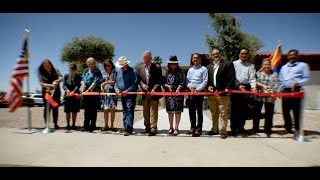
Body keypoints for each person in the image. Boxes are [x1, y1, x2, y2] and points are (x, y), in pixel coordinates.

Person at [206, 48, 235, 139]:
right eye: (214, 54)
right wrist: (208, 86)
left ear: (220, 54)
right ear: (212, 55)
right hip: (212, 94)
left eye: (217, 53)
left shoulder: (227, 64)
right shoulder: (208, 66)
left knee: (223, 113)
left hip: (223, 93)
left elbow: (231, 77)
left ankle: (223, 131)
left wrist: (228, 88)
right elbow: (207, 80)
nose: (216, 55)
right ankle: (214, 129)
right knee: (214, 112)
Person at [279, 49, 310, 135]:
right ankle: (288, 129)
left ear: (297, 56)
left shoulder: (303, 65)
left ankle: (297, 130)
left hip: (296, 91)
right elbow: (281, 80)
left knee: (296, 111)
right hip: (285, 91)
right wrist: (280, 90)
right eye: (290, 55)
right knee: (285, 111)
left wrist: (298, 83)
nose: (292, 56)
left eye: (294, 55)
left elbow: (306, 78)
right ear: (288, 57)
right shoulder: (283, 67)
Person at [230, 48, 257, 136]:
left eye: (246, 54)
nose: (244, 55)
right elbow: (232, 77)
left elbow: (252, 79)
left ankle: (241, 128)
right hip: (235, 88)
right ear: (239, 54)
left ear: (247, 55)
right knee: (234, 110)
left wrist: (253, 87)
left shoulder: (251, 66)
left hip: (246, 89)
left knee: (244, 110)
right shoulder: (233, 64)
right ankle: (233, 129)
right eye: (242, 53)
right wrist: (238, 86)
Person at [136, 51, 163, 136]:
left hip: (154, 93)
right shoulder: (140, 68)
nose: (145, 60)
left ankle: (153, 129)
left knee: (153, 111)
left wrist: (154, 89)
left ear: (151, 58)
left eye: (147, 58)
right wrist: (142, 85)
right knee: (145, 112)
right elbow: (139, 79)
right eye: (144, 58)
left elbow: (159, 80)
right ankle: (147, 128)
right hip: (144, 93)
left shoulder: (157, 67)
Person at [252, 58, 280, 137]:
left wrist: (275, 95)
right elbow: (255, 82)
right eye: (265, 64)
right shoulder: (258, 73)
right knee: (256, 114)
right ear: (262, 66)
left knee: (269, 114)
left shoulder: (274, 75)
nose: (266, 66)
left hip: (270, 98)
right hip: (259, 97)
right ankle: (255, 129)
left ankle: (268, 129)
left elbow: (277, 85)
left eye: (268, 64)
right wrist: (263, 86)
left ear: (271, 65)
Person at [114, 56, 138, 136]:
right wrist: (116, 89)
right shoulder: (119, 72)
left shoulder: (132, 71)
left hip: (130, 95)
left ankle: (129, 128)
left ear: (126, 65)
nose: (121, 68)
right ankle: (125, 126)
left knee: (129, 110)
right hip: (122, 95)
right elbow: (116, 83)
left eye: (122, 67)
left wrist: (127, 91)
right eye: (120, 67)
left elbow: (134, 84)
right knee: (124, 110)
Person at [186, 53, 208, 137]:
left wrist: (197, 89)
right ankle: (192, 128)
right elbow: (187, 81)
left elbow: (205, 81)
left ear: (200, 59)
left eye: (197, 58)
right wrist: (189, 87)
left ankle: (199, 130)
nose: (195, 59)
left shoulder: (203, 69)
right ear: (192, 60)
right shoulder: (190, 70)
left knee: (199, 111)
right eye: (194, 58)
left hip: (199, 92)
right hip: (191, 92)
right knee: (191, 111)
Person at [163, 55, 185, 136]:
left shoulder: (181, 71)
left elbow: (182, 82)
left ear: (177, 64)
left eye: (174, 63)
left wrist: (178, 89)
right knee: (170, 112)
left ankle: (176, 128)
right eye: (171, 63)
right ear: (169, 64)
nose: (173, 65)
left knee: (177, 111)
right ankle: (171, 127)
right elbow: (163, 82)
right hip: (169, 94)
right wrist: (168, 86)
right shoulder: (166, 72)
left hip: (178, 94)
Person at [38, 59, 63, 129]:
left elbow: (61, 78)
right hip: (47, 93)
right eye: (45, 65)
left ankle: (55, 124)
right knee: (47, 109)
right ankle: (46, 124)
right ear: (43, 66)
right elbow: (41, 83)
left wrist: (56, 81)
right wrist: (50, 86)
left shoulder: (56, 70)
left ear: (51, 64)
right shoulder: (42, 73)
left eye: (48, 65)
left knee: (55, 108)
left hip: (56, 93)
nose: (47, 67)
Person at [80, 57, 102, 132]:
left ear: (94, 64)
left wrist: (89, 89)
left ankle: (92, 125)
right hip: (86, 93)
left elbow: (96, 81)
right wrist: (82, 85)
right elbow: (82, 79)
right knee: (86, 110)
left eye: (90, 64)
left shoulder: (97, 71)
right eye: (88, 64)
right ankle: (85, 126)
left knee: (93, 110)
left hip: (93, 93)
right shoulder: (86, 70)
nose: (89, 65)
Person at [63, 63, 81, 131]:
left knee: (74, 111)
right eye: (70, 69)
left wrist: (74, 91)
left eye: (73, 69)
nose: (72, 71)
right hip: (67, 96)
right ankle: (68, 125)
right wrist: (67, 90)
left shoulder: (78, 77)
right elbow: (64, 85)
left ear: (75, 70)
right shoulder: (66, 76)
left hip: (75, 96)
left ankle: (73, 124)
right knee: (67, 111)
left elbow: (78, 85)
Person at [100, 59, 118, 132]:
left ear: (111, 65)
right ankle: (106, 125)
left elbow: (114, 82)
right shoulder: (103, 72)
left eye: (109, 65)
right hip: (105, 93)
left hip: (112, 92)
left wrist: (105, 83)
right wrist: (102, 86)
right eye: (106, 65)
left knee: (112, 109)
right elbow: (101, 82)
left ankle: (112, 126)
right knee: (105, 109)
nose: (107, 67)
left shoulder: (114, 71)